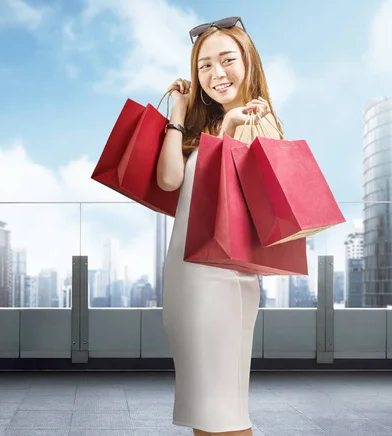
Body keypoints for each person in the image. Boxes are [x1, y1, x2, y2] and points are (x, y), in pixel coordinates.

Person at [157, 17, 283, 436]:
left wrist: (231, 129)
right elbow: (169, 180)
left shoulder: (257, 120)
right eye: (205, 65)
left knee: (222, 410)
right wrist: (178, 114)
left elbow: (235, 198)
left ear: (248, 62)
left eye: (227, 60)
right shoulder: (207, 124)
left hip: (221, 277)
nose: (217, 74)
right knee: (205, 409)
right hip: (187, 275)